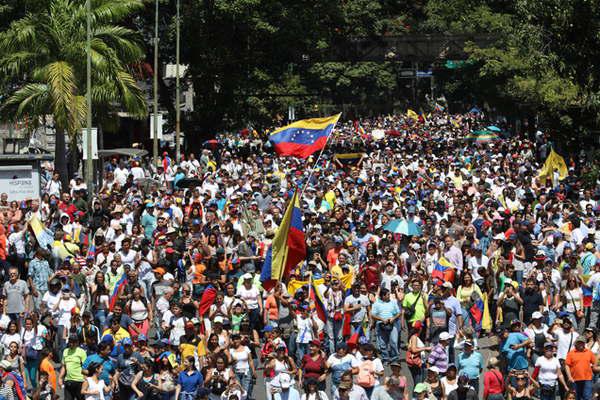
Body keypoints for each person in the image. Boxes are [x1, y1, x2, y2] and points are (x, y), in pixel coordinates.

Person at [370, 288, 400, 363]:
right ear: (383, 296)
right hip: (381, 325)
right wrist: (382, 319)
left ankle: (394, 359)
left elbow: (398, 313)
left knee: (393, 342)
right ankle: (385, 358)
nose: (389, 296)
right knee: (383, 344)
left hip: (392, 324)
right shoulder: (376, 304)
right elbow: (373, 315)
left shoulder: (393, 302)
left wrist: (393, 318)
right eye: (388, 295)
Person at [59, 335, 87, 400]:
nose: (71, 344)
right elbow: (64, 366)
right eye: (70, 342)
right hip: (68, 381)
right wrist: (60, 378)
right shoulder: (65, 351)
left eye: (73, 342)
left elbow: (85, 367)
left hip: (79, 381)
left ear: (77, 343)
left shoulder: (81, 352)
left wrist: (86, 381)